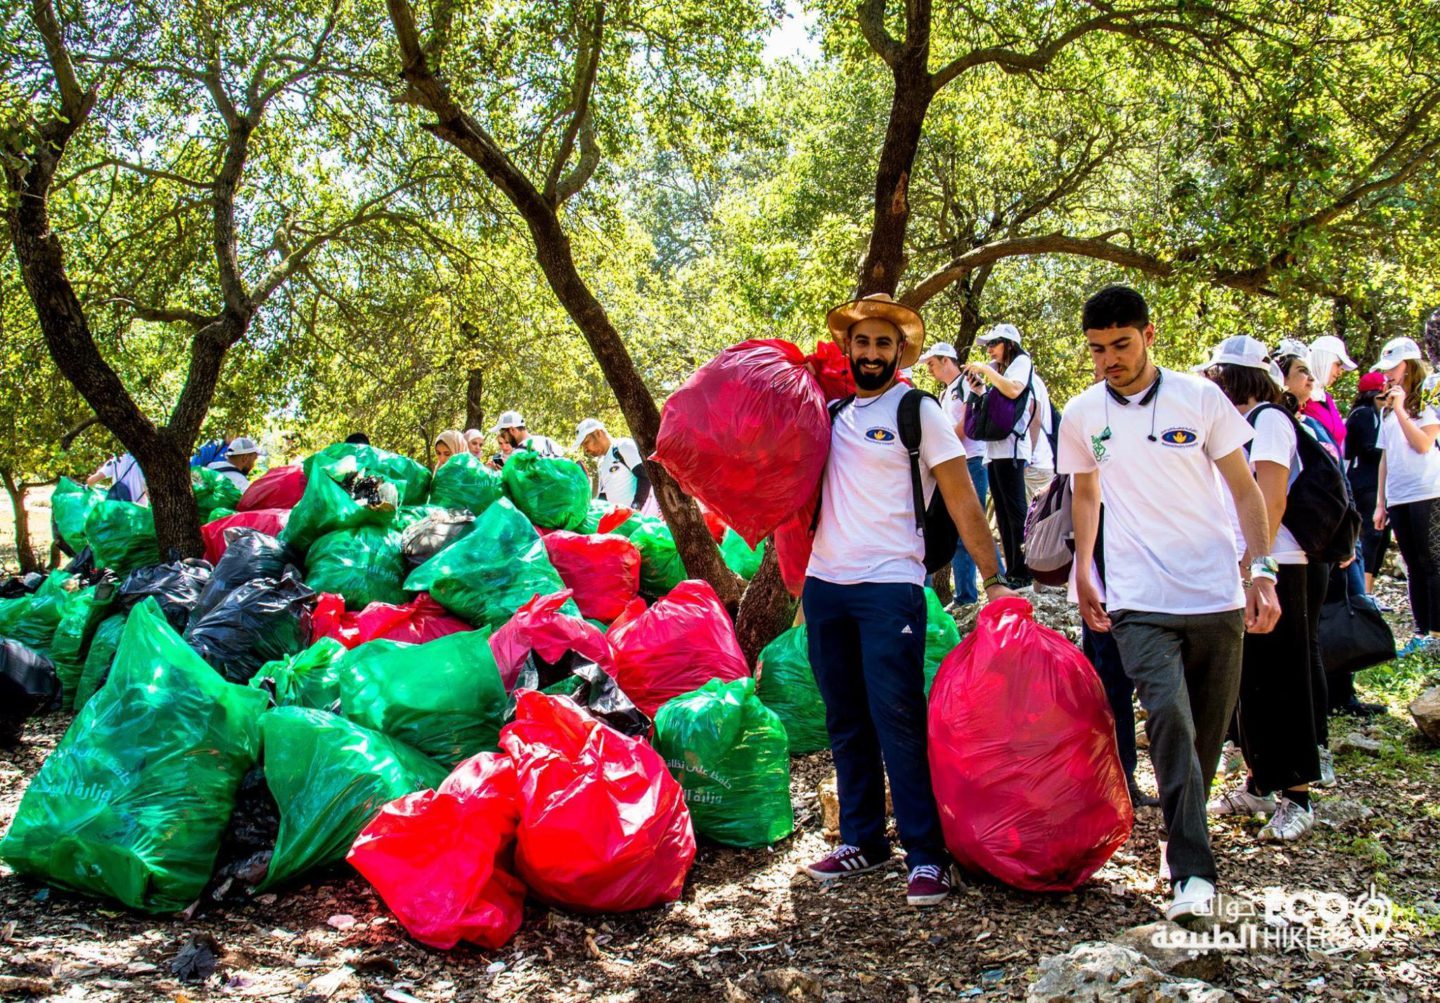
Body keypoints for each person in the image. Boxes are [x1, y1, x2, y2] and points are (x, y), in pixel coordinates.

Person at [1059, 285, 1279, 926]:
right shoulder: (1082, 414)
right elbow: (1086, 494)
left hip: (1214, 593)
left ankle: (1181, 834)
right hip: (1137, 599)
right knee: (1170, 721)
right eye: (1098, 350)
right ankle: (1193, 872)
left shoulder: (1201, 398)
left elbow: (1245, 490)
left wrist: (1259, 570)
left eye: (1121, 345)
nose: (1109, 361)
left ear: (1149, 335)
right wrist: (1084, 568)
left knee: (1205, 732)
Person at [801, 293, 1013, 908]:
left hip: (891, 586)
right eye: (862, 343)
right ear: (848, 349)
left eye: (883, 344)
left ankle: (927, 854)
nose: (871, 353)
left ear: (900, 353)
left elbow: (961, 499)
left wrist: (993, 578)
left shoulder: (919, 411)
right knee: (844, 719)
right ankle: (864, 842)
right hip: (825, 585)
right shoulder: (832, 412)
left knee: (898, 719)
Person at [1198, 337, 1322, 842]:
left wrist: (1258, 565)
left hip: (1278, 565)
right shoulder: (1241, 424)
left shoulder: (1270, 419)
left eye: (1216, 376)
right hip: (1247, 566)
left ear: (1234, 377)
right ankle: (1260, 782)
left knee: (1281, 680)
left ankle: (1299, 797)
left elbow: (1270, 492)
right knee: (1251, 682)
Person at [1372, 337, 1440, 655]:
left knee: (1431, 562)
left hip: (1428, 492)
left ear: (1409, 367)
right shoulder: (1385, 412)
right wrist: (1380, 502)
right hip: (1398, 497)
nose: (1387, 376)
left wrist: (1400, 409)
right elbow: (1385, 457)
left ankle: (1436, 634)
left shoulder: (1428, 402)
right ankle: (1420, 631)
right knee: (1412, 565)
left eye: (1392, 369)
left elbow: (1423, 444)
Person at [917, 342, 994, 608]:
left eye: (932, 363)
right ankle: (964, 595)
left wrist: (941, 443)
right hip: (951, 463)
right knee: (953, 532)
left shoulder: (965, 384)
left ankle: (983, 590)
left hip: (970, 460)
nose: (929, 369)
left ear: (947, 360)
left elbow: (968, 423)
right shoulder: (945, 393)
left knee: (970, 527)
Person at [964, 323, 1035, 586]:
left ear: (1010, 344)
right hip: (995, 452)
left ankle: (1024, 571)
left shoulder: (1021, 362)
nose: (990, 350)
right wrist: (980, 388)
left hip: (1012, 450)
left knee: (1015, 512)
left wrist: (985, 370)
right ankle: (1013, 572)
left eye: (995, 343)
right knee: (1004, 514)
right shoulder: (1000, 371)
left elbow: (1014, 390)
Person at [1347, 371, 1391, 596]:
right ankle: (1363, 591)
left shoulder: (1378, 415)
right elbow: (1366, 448)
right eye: (1382, 398)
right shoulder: (1363, 414)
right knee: (1370, 536)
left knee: (1381, 538)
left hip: (1379, 483)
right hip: (1365, 483)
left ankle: (1369, 590)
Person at [574, 418, 660, 516]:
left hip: (642, 518)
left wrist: (636, 507)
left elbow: (645, 476)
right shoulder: (602, 463)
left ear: (598, 433)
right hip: (623, 522)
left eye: (586, 442)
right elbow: (604, 496)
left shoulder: (623, 446)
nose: (585, 450)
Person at [1303, 335, 1357, 454]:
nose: (1339, 372)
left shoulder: (1326, 398)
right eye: (1337, 364)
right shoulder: (1300, 398)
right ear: (1324, 360)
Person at [491, 411, 563, 458]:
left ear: (512, 430)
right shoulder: (546, 441)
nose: (506, 439)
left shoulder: (519, 453)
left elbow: (517, 480)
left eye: (503, 433)